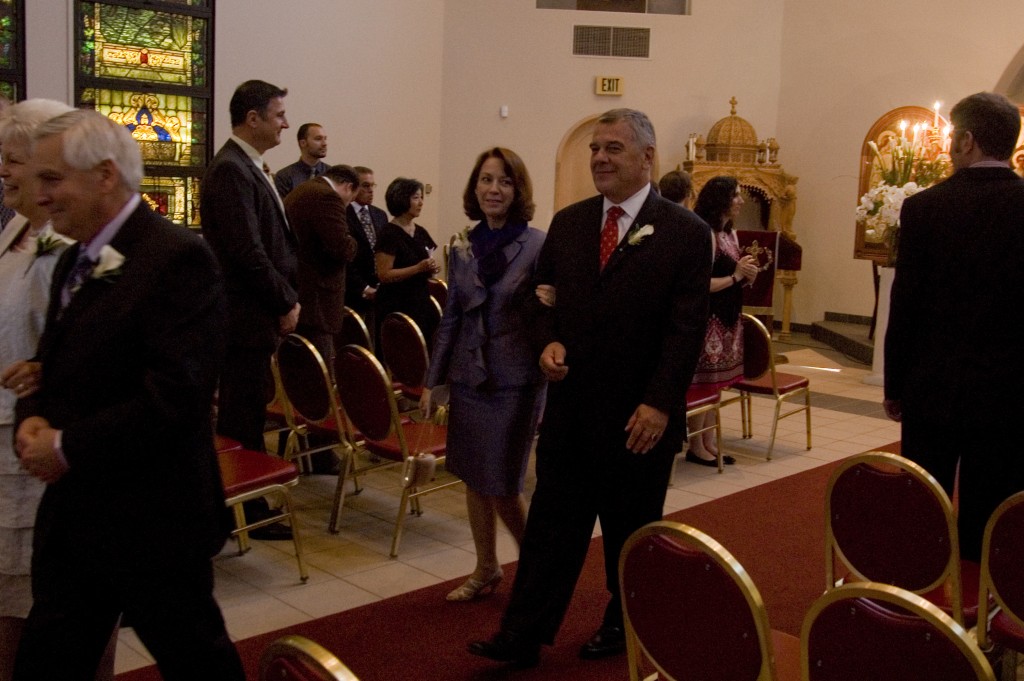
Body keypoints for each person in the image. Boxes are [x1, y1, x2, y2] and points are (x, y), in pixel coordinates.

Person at [469, 108, 711, 667]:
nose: (599, 158)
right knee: (551, 529)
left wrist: (658, 404)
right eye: (595, 149)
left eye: (613, 148)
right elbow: (537, 298)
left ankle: (624, 622)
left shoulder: (685, 232)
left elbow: (686, 330)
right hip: (572, 410)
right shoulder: (572, 222)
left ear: (647, 157)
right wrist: (546, 341)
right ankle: (522, 635)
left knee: (629, 531)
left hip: (638, 418)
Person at [11, 109, 243, 680]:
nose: (40, 197)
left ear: (105, 175)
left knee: (197, 663)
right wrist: (33, 412)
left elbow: (175, 397)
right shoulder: (82, 256)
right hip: (79, 516)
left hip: (152, 519)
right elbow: (68, 357)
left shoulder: (177, 256)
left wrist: (64, 446)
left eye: (52, 179)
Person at [884, 91, 1024, 561]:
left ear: (966, 140)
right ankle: (983, 590)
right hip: (1010, 390)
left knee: (926, 503)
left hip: (933, 384)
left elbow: (905, 304)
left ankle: (923, 586)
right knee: (995, 508)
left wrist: (895, 385)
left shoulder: (925, 207)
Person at [419, 148, 546, 602]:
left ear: (518, 189)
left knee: (504, 484)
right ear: (475, 187)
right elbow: (451, 316)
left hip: (515, 381)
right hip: (470, 377)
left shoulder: (537, 245)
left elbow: (549, 316)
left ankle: (537, 573)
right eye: (486, 180)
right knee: (473, 476)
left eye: (505, 181)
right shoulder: (463, 245)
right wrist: (433, 381)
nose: (494, 189)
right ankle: (487, 567)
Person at [0, 98, 76, 681]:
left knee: (39, 606)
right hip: (10, 435)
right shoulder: (18, 226)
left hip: (36, 445)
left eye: (12, 159)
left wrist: (44, 368)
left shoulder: (62, 243)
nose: (2, 170)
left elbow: (84, 344)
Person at [201, 79, 299, 453]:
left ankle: (250, 485)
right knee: (242, 418)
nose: (285, 124)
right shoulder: (231, 169)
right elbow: (247, 252)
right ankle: (247, 488)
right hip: (245, 316)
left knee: (250, 410)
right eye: (280, 115)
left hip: (253, 314)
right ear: (253, 118)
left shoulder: (247, 165)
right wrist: (285, 301)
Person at [686, 176, 758, 466]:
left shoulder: (730, 233)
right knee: (704, 384)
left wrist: (746, 276)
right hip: (709, 319)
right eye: (736, 195)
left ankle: (710, 441)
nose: (741, 201)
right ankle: (696, 446)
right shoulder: (705, 233)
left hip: (728, 318)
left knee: (716, 386)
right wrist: (736, 277)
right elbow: (699, 283)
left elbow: (735, 274)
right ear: (721, 200)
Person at [283, 164, 359, 368]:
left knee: (298, 367)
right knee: (318, 369)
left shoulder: (303, 190)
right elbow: (341, 248)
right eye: (350, 200)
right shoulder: (328, 197)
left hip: (300, 289)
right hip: (318, 296)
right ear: (348, 187)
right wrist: (353, 242)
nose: (348, 205)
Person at [375, 177, 440, 347]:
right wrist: (418, 268)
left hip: (420, 301)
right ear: (402, 199)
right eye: (416, 198)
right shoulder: (389, 233)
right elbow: (384, 274)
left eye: (421, 198)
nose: (421, 203)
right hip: (396, 303)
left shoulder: (420, 231)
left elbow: (427, 261)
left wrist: (431, 268)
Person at [345, 166, 388, 322]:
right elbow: (345, 257)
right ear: (353, 187)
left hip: (380, 287)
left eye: (372, 186)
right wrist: (362, 287)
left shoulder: (380, 215)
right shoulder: (343, 213)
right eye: (365, 186)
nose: (371, 191)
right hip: (353, 290)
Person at [274, 122, 329, 198]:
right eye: (318, 139)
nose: (324, 143)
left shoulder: (332, 175)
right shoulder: (284, 176)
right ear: (303, 143)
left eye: (325, 138)